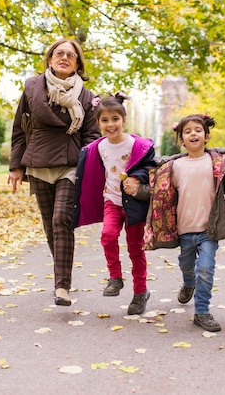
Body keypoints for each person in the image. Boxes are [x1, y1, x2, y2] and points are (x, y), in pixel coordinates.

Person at [8, 39, 101, 307]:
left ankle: (62, 286)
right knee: (50, 226)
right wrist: (16, 166)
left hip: (70, 165)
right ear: (49, 59)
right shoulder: (32, 88)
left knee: (62, 220)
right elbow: (18, 129)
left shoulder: (86, 96)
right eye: (59, 53)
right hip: (38, 163)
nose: (64, 58)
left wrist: (88, 171)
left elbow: (92, 136)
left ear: (77, 64)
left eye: (71, 56)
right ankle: (62, 274)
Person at [144, 114, 225, 332]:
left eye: (197, 130)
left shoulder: (217, 163)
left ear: (206, 136)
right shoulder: (174, 166)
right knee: (187, 266)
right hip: (184, 230)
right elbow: (158, 193)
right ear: (181, 140)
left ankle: (202, 312)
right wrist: (135, 189)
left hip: (209, 230)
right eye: (187, 131)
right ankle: (188, 283)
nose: (193, 133)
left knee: (205, 269)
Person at [71, 92, 155, 315]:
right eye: (105, 120)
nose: (110, 124)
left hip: (133, 203)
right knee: (108, 235)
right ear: (98, 122)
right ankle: (115, 277)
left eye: (115, 119)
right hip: (112, 202)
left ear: (123, 120)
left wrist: (138, 178)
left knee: (135, 249)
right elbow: (94, 172)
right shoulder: (98, 148)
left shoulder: (137, 145)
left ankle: (140, 292)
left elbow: (149, 167)